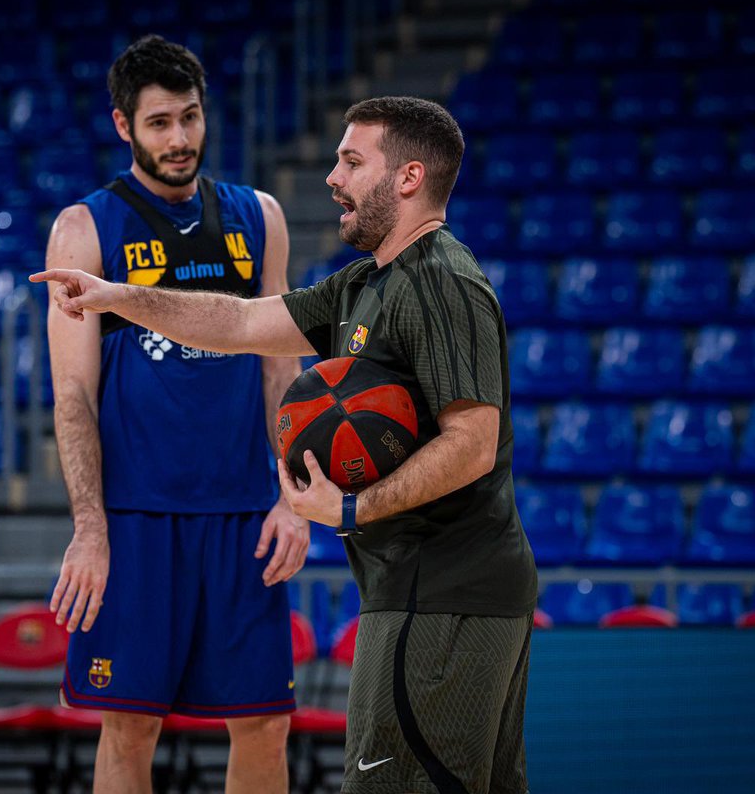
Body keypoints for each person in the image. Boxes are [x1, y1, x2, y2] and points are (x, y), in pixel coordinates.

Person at [33, 96, 539, 794]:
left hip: (446, 595)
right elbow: (240, 321)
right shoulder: (369, 282)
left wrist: (353, 508)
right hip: (424, 591)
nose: (333, 176)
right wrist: (119, 296)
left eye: (352, 161)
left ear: (409, 178)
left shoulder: (440, 279)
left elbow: (474, 444)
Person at [43, 35, 308, 794]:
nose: (181, 139)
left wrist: (292, 500)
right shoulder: (84, 230)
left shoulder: (258, 218)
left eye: (190, 117)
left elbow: (283, 370)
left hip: (240, 515)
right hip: (135, 520)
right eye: (159, 123)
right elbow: (73, 396)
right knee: (130, 726)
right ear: (124, 126)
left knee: (265, 724)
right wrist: (91, 529)